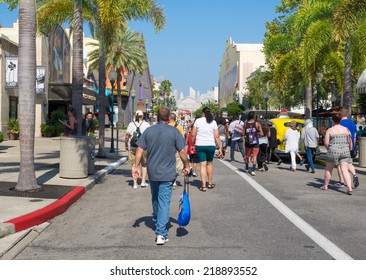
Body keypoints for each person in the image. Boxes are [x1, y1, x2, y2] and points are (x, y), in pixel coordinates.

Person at [132, 107, 190, 245]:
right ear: (169, 118)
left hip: (152, 172)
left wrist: (136, 166)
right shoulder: (174, 131)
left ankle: (157, 220)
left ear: (157, 118)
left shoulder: (149, 131)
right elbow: (182, 151)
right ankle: (161, 233)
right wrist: (187, 165)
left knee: (155, 198)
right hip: (168, 172)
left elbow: (139, 149)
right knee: (164, 201)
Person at [191, 107, 223, 191]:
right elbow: (216, 135)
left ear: (202, 113)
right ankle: (210, 183)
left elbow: (193, 134)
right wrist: (220, 147)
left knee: (202, 165)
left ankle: (203, 186)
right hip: (210, 145)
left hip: (200, 145)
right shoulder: (213, 122)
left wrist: (192, 143)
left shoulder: (198, 121)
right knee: (209, 164)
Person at [321, 113, 353, 195]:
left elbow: (326, 143)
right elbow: (350, 141)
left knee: (329, 169)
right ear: (340, 120)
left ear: (333, 121)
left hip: (333, 151)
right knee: (345, 170)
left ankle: (326, 185)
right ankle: (349, 187)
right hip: (345, 151)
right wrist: (348, 149)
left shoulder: (330, 130)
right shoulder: (346, 129)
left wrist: (328, 148)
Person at [125, 110, 150, 189]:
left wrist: (126, 145)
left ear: (135, 116)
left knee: (134, 165)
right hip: (143, 147)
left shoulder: (131, 124)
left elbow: (126, 137)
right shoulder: (146, 124)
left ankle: (135, 183)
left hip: (133, 147)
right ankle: (143, 182)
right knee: (144, 165)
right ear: (143, 116)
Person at [338, 108, 359, 188]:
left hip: (342, 146)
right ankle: (354, 175)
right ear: (347, 114)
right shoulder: (353, 123)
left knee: (340, 164)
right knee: (349, 163)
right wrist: (352, 146)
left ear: (340, 114)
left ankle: (342, 181)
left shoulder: (340, 123)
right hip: (351, 146)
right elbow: (354, 136)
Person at [168, 113, 185, 188]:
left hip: (167, 148)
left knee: (168, 164)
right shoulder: (179, 127)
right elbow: (182, 138)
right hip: (176, 148)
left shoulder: (166, 126)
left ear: (169, 118)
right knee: (176, 165)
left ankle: (168, 180)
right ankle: (174, 181)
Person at [244, 111, 263, 176]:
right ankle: (253, 170)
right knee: (254, 156)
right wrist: (256, 133)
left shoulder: (245, 124)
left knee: (247, 156)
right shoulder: (257, 124)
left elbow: (243, 134)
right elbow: (262, 133)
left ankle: (246, 167)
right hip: (255, 142)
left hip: (247, 142)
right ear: (254, 116)